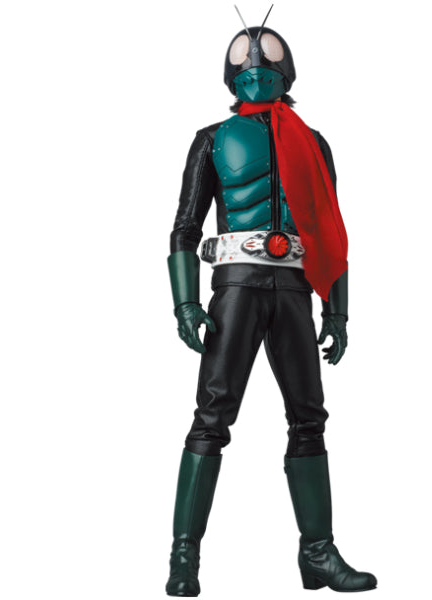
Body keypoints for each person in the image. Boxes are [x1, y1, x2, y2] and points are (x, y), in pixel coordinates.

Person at [165, 13, 377, 597]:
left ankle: (318, 554)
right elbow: (184, 228)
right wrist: (185, 303)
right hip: (235, 288)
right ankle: (183, 557)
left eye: (268, 53)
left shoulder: (313, 142)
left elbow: (331, 231)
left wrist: (337, 309)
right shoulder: (212, 139)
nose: (256, 60)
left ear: (288, 69)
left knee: (309, 418)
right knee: (211, 419)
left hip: (294, 292)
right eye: (245, 53)